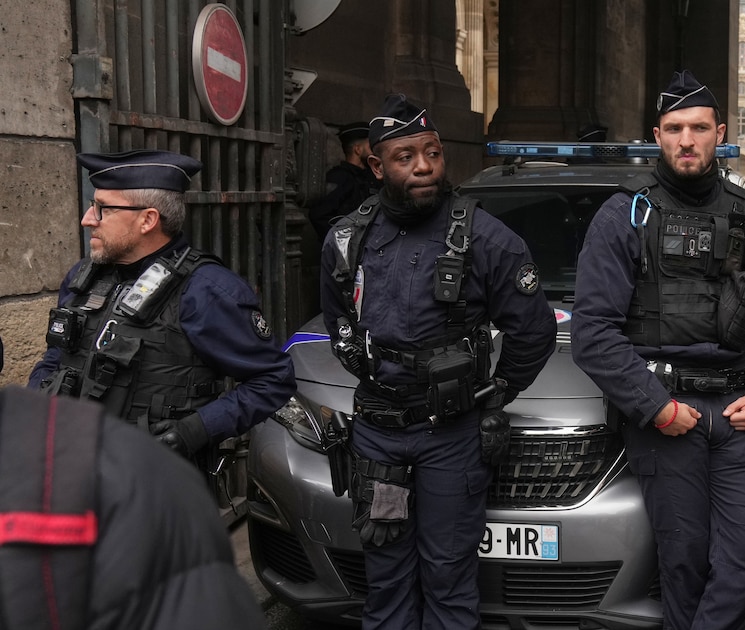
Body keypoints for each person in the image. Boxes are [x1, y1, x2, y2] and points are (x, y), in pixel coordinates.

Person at [319, 94, 556, 628]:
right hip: (378, 435)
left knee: (449, 580)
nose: (423, 166)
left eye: (431, 152)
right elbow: (335, 313)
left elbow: (534, 330)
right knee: (386, 577)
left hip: (450, 438)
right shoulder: (346, 237)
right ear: (377, 166)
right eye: (405, 157)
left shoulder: (486, 237)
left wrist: (496, 392)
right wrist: (361, 362)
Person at [570, 70, 745, 629]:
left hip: (737, 413)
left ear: (720, 132)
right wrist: (657, 408)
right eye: (674, 129)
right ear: (657, 135)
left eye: (698, 127)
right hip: (668, 418)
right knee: (685, 566)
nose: (686, 140)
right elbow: (593, 331)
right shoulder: (624, 216)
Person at [28, 150, 296, 466]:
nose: (88, 219)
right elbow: (56, 358)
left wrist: (195, 430)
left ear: (148, 219)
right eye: (92, 205)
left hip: (156, 486)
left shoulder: (205, 290)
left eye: (103, 209)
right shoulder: (82, 278)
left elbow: (273, 380)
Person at [0, 386, 266, 630]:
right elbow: (54, 363)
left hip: (135, 475)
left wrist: (194, 430)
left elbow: (270, 381)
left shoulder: (140, 485)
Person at [309, 121, 380, 241]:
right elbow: (319, 215)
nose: (374, 151)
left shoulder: (372, 176)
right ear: (357, 150)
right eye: (370, 147)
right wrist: (344, 243)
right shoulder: (339, 177)